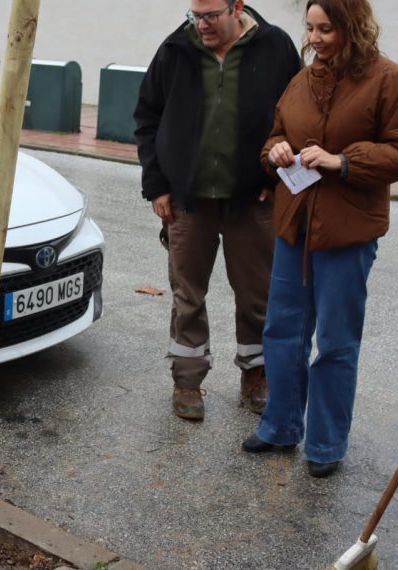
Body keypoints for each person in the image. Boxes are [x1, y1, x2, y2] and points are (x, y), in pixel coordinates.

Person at [242, 0, 398, 478]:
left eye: (327, 29)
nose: (316, 38)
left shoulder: (390, 79)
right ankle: (280, 426)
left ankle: (325, 444)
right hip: (294, 227)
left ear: (353, 26)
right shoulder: (302, 80)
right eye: (311, 28)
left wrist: (342, 162)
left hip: (347, 233)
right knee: (281, 332)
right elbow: (275, 136)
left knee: (337, 343)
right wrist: (275, 151)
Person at [134, 0, 303, 420]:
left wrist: (273, 179)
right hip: (188, 200)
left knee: (257, 296)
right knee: (187, 295)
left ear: (237, 7)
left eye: (211, 15)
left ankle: (255, 376)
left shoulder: (276, 47)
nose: (202, 25)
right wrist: (157, 184)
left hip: (253, 199)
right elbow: (146, 118)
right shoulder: (176, 49)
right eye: (196, 16)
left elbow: (299, 118)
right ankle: (187, 383)